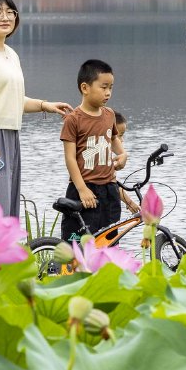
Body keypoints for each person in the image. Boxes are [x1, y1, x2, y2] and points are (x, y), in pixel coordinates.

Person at [0, 0, 73, 217]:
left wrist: (44, 105)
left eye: (10, 12)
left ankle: (5, 254)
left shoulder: (9, 53)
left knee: (8, 211)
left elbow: (11, 99)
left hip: (10, 135)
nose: (5, 17)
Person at [60, 59, 122, 240]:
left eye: (111, 87)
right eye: (103, 87)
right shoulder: (73, 119)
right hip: (84, 188)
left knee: (108, 239)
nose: (108, 93)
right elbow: (70, 158)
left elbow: (113, 137)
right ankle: (69, 268)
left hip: (109, 189)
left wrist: (123, 154)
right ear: (85, 88)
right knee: (77, 239)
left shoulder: (109, 114)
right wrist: (82, 189)